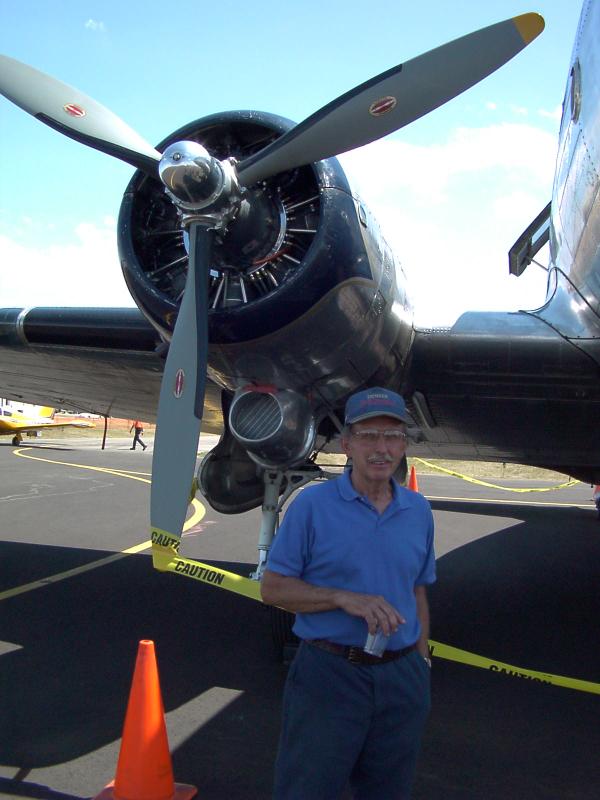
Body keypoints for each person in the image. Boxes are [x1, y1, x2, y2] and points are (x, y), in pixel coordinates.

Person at [261, 386, 435, 800]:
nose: (381, 448)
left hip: (401, 677)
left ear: (404, 445)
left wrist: (422, 662)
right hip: (330, 674)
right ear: (347, 444)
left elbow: (417, 590)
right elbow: (273, 588)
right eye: (368, 435)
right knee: (307, 789)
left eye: (392, 436)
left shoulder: (418, 511)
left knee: (389, 791)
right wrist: (342, 598)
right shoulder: (312, 506)